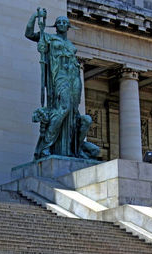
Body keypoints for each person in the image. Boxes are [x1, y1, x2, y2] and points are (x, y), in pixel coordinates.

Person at [25, 9, 99, 160]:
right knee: (63, 108)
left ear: (68, 26)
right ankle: (46, 147)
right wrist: (35, 16)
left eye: (65, 22)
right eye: (59, 22)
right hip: (59, 76)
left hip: (74, 78)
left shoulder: (70, 45)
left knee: (80, 116)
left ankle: (77, 150)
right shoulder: (49, 38)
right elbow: (29, 34)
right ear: (56, 26)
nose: (62, 24)